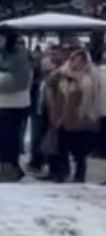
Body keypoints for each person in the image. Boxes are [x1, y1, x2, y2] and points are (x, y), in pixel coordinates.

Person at [42, 50, 100, 183]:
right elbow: (49, 82)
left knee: (78, 150)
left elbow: (89, 96)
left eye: (79, 61)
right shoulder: (62, 76)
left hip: (78, 120)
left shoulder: (88, 79)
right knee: (61, 148)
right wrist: (61, 71)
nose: (75, 64)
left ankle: (79, 175)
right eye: (73, 60)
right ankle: (62, 172)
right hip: (61, 118)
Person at [0, 27, 33, 182]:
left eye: (0, 38)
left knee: (9, 138)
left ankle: (10, 169)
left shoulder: (20, 56)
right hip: (2, 102)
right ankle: (8, 167)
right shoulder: (2, 55)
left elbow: (21, 81)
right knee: (0, 136)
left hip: (15, 103)